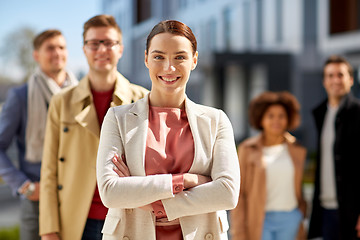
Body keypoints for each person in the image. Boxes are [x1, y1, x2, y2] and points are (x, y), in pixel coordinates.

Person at [96, 20, 240, 240]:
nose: (168, 68)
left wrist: (153, 203)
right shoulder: (118, 118)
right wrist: (186, 181)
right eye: (159, 57)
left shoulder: (216, 120)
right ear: (146, 59)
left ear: (194, 60)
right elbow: (110, 192)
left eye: (180, 57)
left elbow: (227, 193)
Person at [39, 15, 148, 240]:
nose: (101, 49)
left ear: (121, 49)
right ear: (84, 49)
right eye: (94, 43)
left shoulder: (143, 99)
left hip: (128, 216)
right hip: (77, 219)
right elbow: (50, 170)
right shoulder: (62, 102)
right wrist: (49, 229)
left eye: (109, 42)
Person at [0, 29, 77, 240]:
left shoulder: (80, 94)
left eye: (61, 47)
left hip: (76, 195)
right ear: (36, 55)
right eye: (50, 48)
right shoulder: (20, 96)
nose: (57, 53)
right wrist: (23, 186)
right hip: (37, 199)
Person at [230, 91, 307, 240]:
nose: (276, 120)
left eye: (281, 116)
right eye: (270, 116)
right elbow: (239, 194)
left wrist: (301, 213)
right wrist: (239, 232)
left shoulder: (297, 148)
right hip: (260, 219)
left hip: (290, 218)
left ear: (288, 119)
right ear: (261, 119)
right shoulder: (247, 149)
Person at [308, 55, 360, 240]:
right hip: (325, 210)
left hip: (352, 211)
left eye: (340, 74)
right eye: (330, 75)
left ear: (351, 79)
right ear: (324, 81)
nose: (335, 80)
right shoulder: (320, 113)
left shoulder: (357, 113)